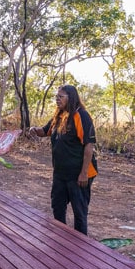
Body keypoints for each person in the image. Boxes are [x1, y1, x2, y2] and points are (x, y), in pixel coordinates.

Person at [29, 84, 98, 235]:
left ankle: (80, 245)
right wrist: (34, 129)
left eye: (61, 97)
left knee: (79, 212)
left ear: (70, 98)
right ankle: (62, 240)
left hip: (78, 174)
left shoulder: (81, 116)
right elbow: (45, 131)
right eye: (56, 97)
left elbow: (89, 145)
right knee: (57, 206)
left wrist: (84, 173)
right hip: (60, 172)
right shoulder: (59, 115)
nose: (57, 100)